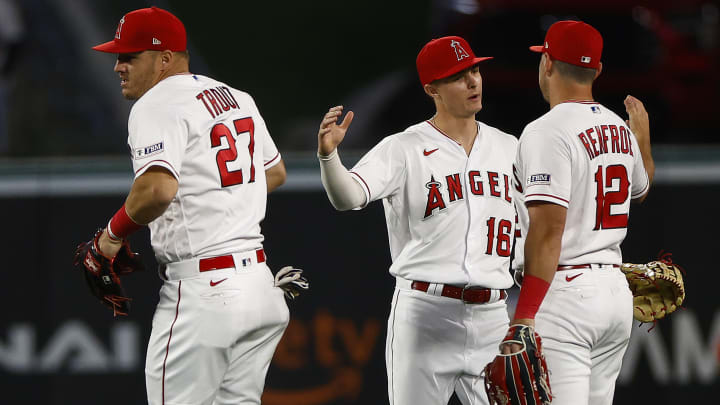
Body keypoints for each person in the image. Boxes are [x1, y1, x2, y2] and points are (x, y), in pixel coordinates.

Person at [89, 7, 290, 405]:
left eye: (129, 56)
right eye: (117, 56)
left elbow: (157, 190)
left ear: (165, 58)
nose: (118, 66)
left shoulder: (155, 103)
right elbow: (275, 172)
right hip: (260, 287)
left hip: (205, 293)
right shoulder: (237, 96)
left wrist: (110, 237)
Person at [317, 36, 517, 404]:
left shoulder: (510, 148)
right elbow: (348, 197)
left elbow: (530, 235)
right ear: (432, 89)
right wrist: (330, 158)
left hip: (493, 315)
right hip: (427, 312)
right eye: (458, 76)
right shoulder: (403, 148)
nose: (473, 81)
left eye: (474, 70)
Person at [505, 20, 655, 405]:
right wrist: (642, 142)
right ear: (598, 70)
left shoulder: (546, 130)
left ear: (549, 63)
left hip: (565, 294)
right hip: (614, 295)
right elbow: (641, 189)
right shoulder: (617, 128)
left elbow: (547, 230)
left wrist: (523, 316)